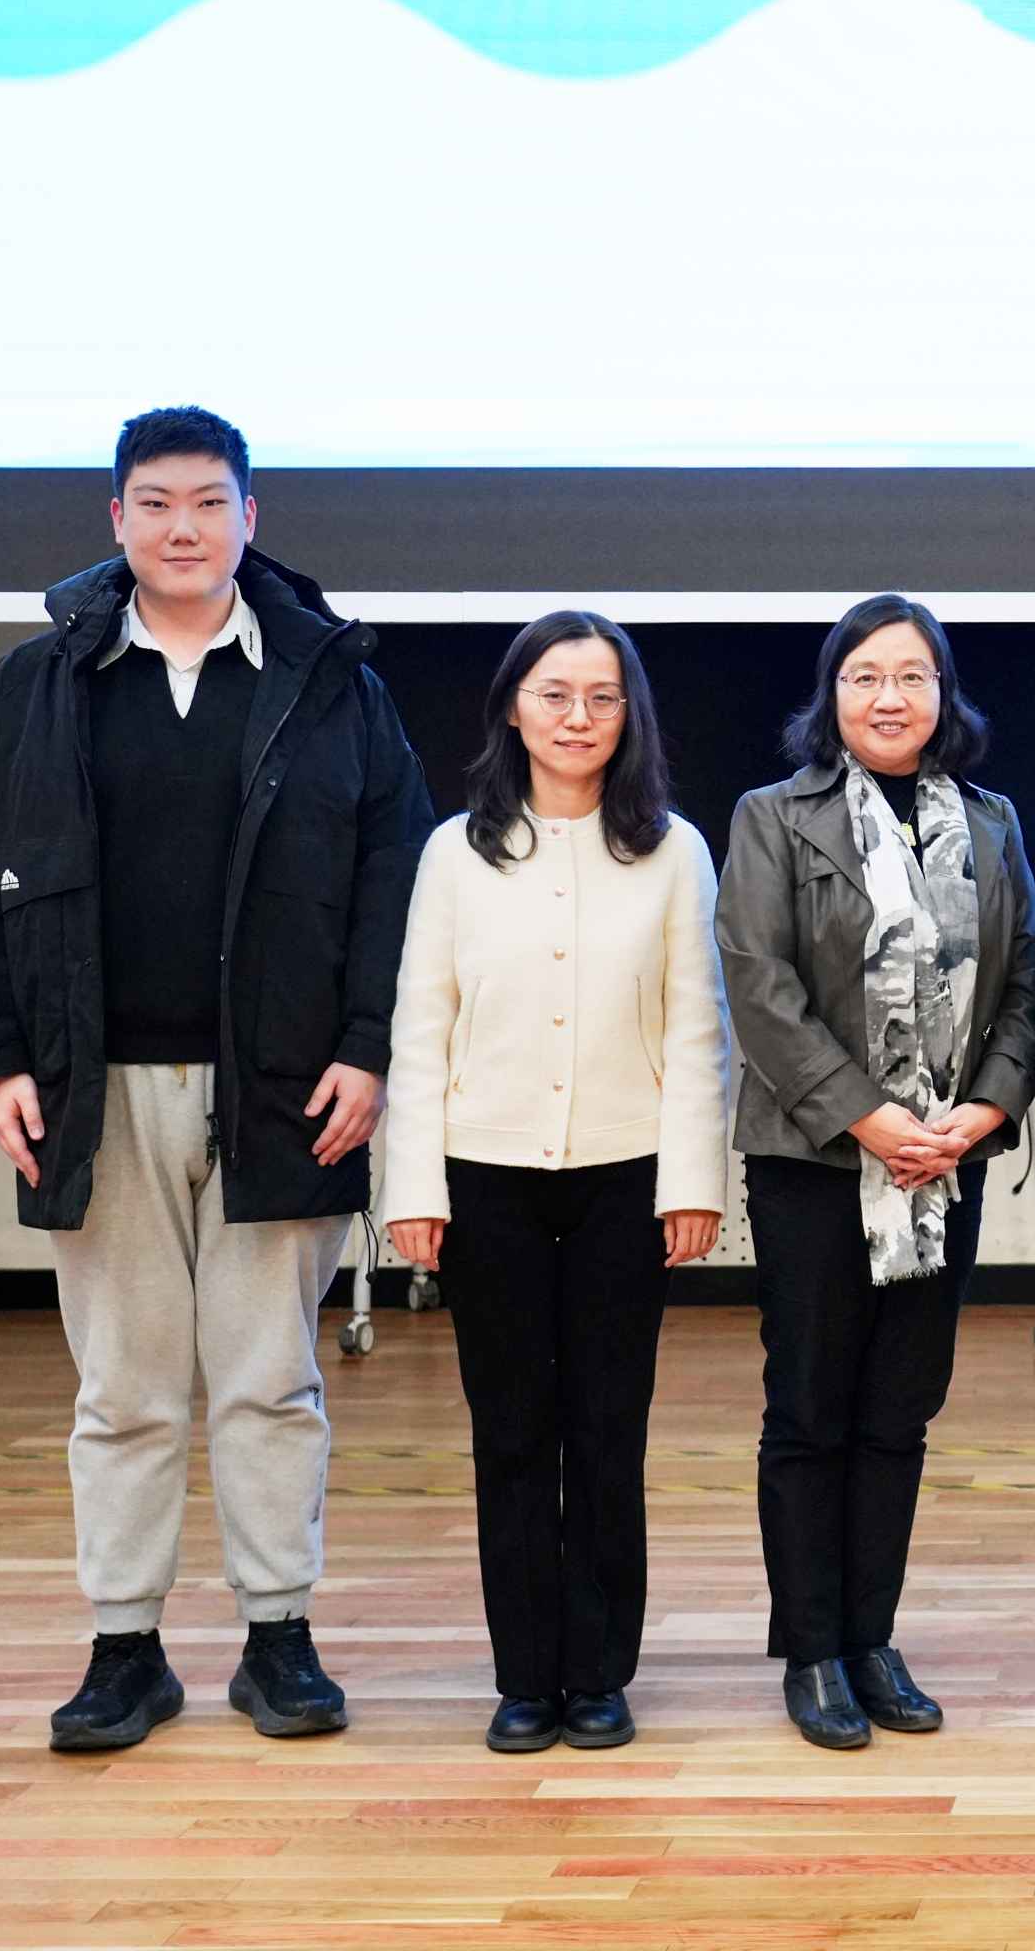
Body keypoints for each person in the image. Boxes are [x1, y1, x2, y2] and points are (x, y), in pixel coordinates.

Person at [0, 405, 432, 1751]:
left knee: (271, 1379)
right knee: (125, 1386)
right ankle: (125, 1649)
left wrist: (368, 1045)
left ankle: (279, 1638)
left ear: (250, 518)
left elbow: (395, 872)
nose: (184, 527)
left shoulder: (331, 680)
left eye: (210, 502)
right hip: (93, 1091)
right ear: (118, 520)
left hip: (290, 1085)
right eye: (155, 503)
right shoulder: (32, 687)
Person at [381, 612, 730, 1754]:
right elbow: (420, 1027)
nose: (578, 717)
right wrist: (413, 1188)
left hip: (629, 1183)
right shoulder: (455, 851)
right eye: (555, 694)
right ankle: (526, 1673)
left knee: (608, 1430)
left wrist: (693, 1180)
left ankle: (600, 1672)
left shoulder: (674, 850)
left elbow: (700, 1030)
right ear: (513, 708)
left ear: (630, 716)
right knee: (514, 1434)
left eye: (602, 698)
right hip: (485, 1182)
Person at [715, 596, 1035, 1749]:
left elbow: (1026, 983)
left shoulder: (992, 822)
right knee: (811, 1406)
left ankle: (870, 1637)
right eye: (865, 675)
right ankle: (812, 1649)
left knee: (900, 1408)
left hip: (944, 1163)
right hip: (815, 1158)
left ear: (943, 693)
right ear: (833, 693)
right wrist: (871, 1118)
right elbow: (759, 986)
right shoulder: (772, 816)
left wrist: (981, 1112)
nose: (889, 696)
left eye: (912, 674)